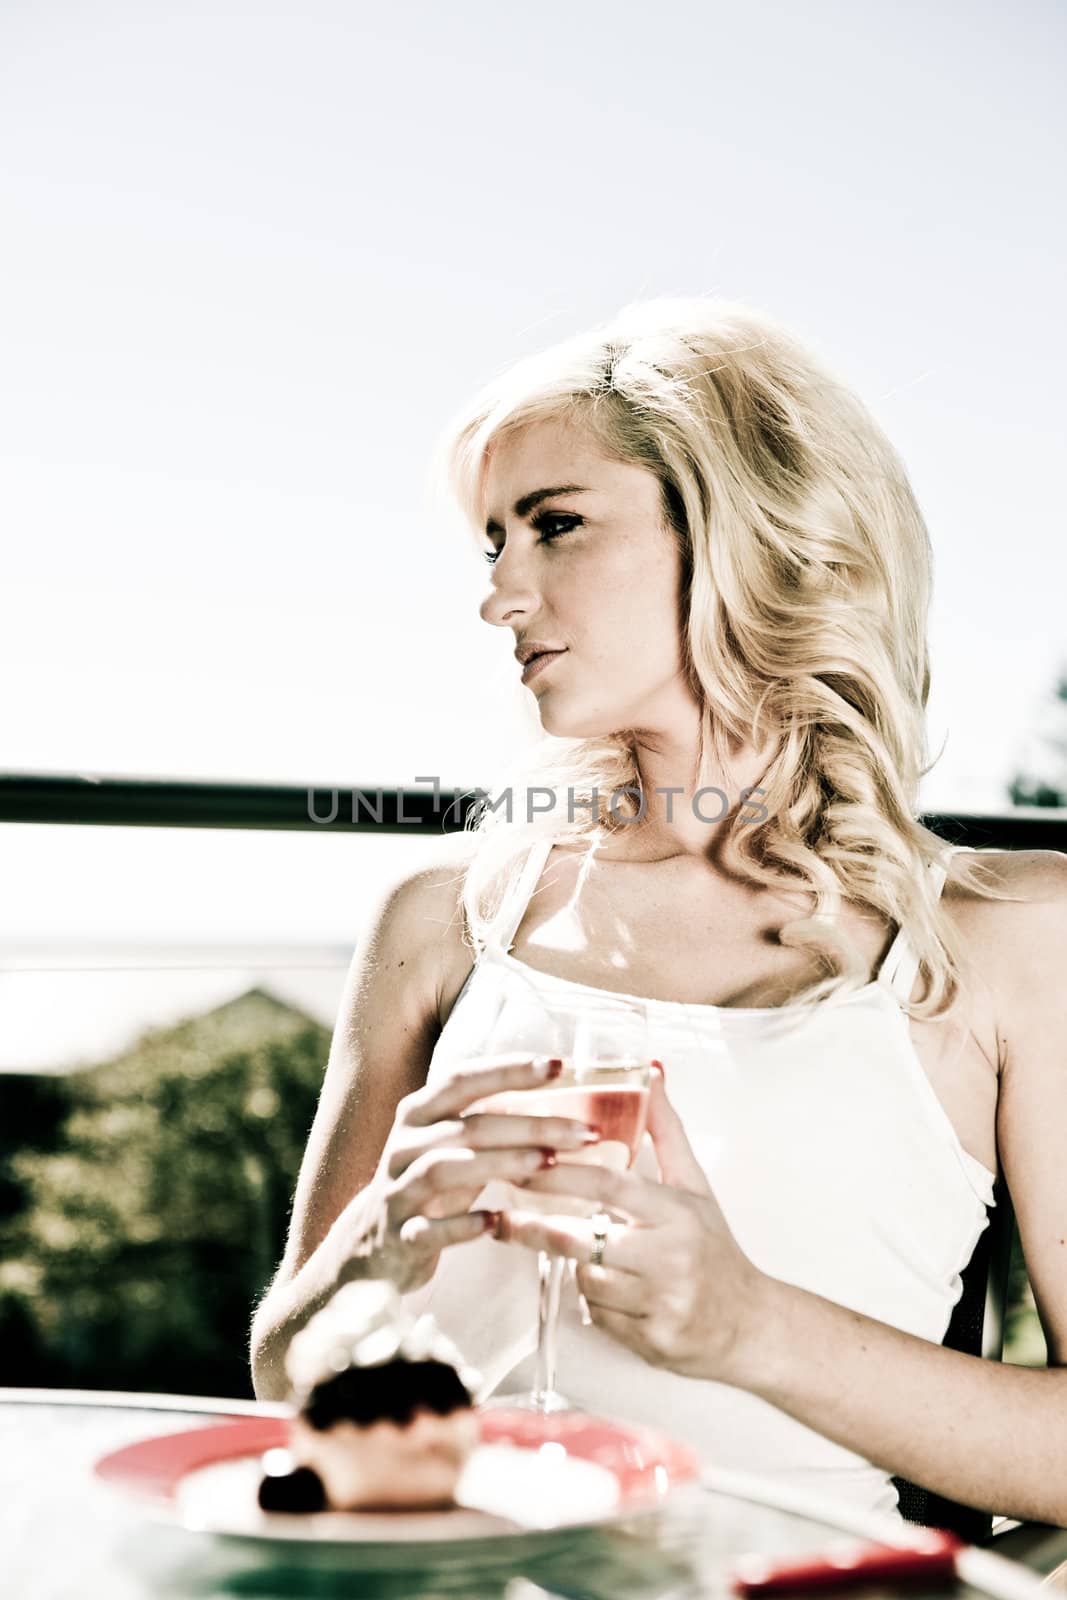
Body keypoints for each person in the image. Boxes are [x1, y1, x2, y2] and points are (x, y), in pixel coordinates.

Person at [250, 297, 1067, 1525]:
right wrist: (375, 1248)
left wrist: (746, 1325)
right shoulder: (440, 923)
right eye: (491, 543)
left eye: (555, 527)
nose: (498, 597)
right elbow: (285, 1371)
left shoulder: (1007, 942)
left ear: (755, 534)